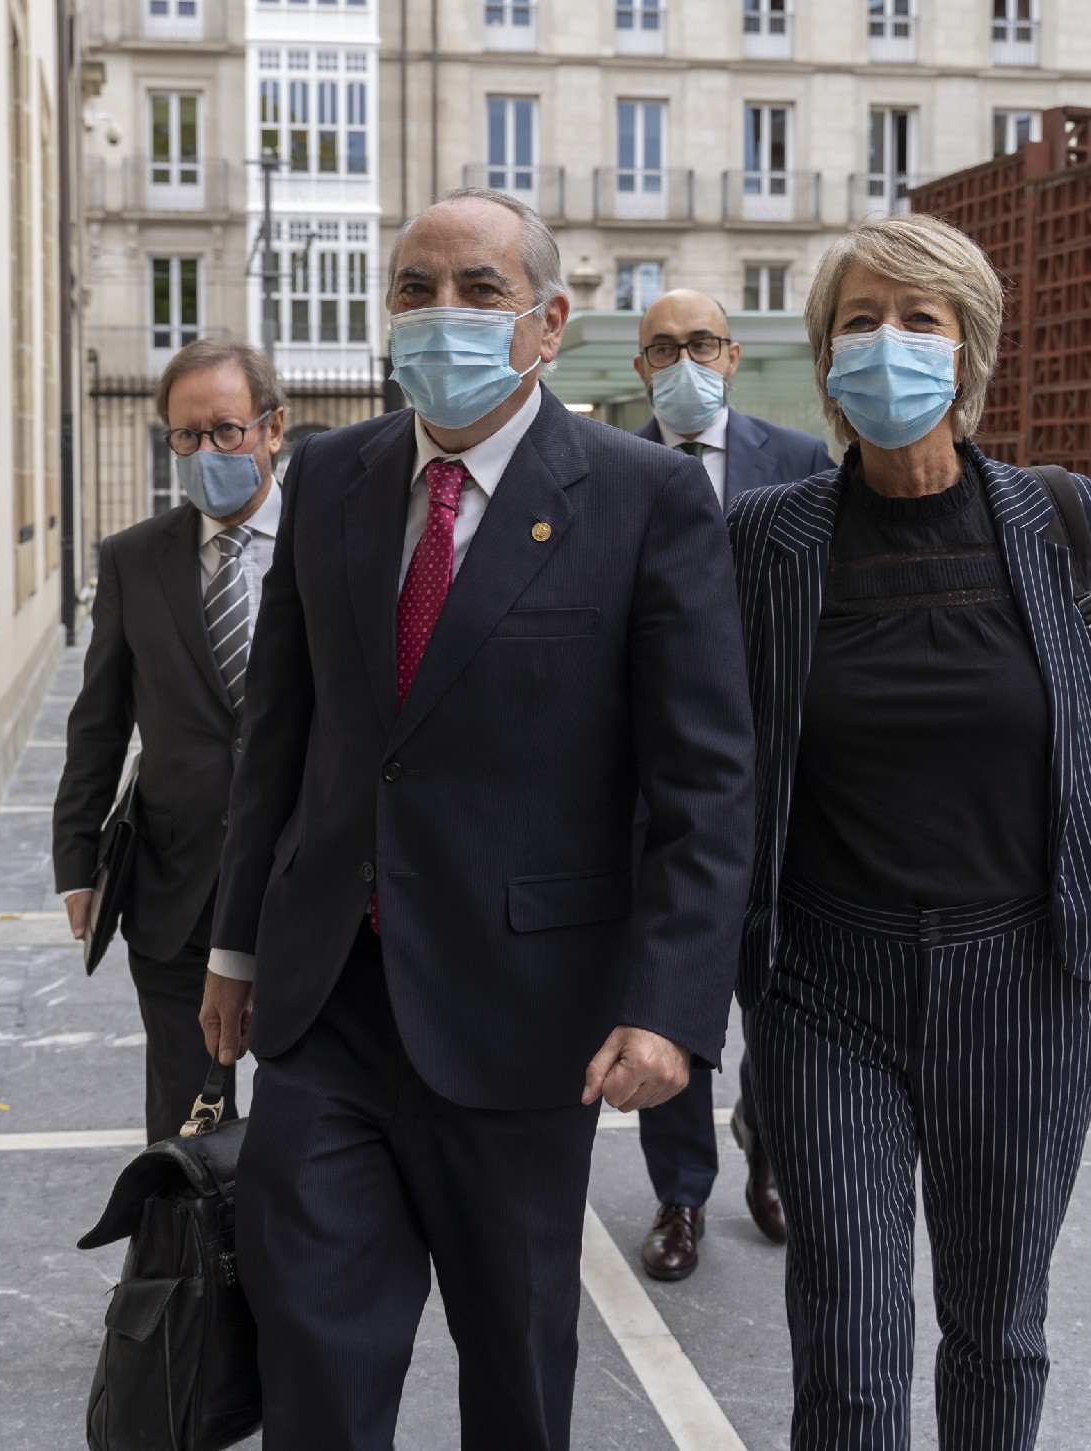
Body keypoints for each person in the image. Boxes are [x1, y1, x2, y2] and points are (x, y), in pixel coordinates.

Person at [197, 188, 755, 1449]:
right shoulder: (330, 476)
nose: (438, 315)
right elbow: (278, 737)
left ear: (547, 324)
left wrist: (669, 1005)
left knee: (514, 1372)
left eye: (478, 291)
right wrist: (233, 946)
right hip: (326, 1007)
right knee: (317, 1371)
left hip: (523, 1023)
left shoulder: (638, 500)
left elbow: (704, 780)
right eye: (413, 289)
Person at [725, 213, 1091, 1450]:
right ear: (823, 358)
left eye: (916, 318)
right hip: (825, 984)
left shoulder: (1057, 515)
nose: (885, 344)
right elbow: (708, 750)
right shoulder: (766, 538)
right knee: (850, 1350)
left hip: (1026, 979)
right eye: (858, 320)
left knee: (995, 1331)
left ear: (965, 348)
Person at [627, 288, 832, 1280]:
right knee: (674, 985)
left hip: (774, 774)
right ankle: (678, 1195)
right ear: (638, 368)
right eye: (661, 346)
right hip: (650, 787)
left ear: (733, 353)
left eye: (698, 341)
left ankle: (769, 1135)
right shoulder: (606, 471)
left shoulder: (795, 465)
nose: (682, 359)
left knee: (782, 988)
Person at [52, 339, 286, 1142]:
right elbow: (99, 720)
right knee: (186, 1124)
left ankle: (285, 1266)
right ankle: (180, 1270)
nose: (206, 450)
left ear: (272, 429)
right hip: (175, 890)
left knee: (309, 1121)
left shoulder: (333, 549)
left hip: (303, 886)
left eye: (226, 430)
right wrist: (76, 858)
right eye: (187, 436)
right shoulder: (132, 561)